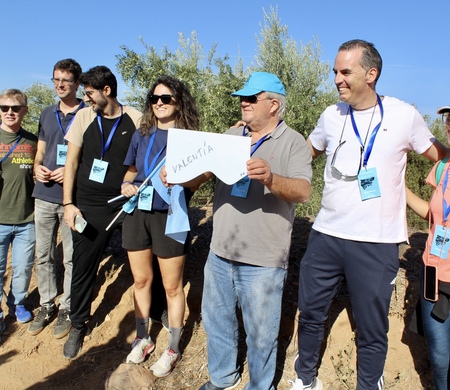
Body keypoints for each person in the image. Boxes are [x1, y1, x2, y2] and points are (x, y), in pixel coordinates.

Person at [290, 39, 450, 390]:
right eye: (335, 71)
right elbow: (306, 153)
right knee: (312, 314)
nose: (337, 79)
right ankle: (305, 379)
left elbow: (440, 155)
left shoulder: (403, 115)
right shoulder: (331, 116)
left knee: (373, 328)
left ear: (371, 74)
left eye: (346, 72)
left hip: (376, 243)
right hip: (326, 235)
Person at [162, 72, 312, 389]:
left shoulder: (293, 142)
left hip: (263, 259)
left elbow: (302, 191)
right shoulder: (231, 135)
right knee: (217, 321)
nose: (243, 103)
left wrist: (271, 178)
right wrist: (178, 175)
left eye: (251, 98)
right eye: (241, 97)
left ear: (273, 104)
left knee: (261, 333)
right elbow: (200, 176)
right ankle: (222, 378)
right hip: (220, 251)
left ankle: (259, 386)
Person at [61, 66, 142, 359]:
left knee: (143, 266)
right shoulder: (83, 116)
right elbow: (71, 163)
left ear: (106, 91)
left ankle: (150, 321)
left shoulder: (136, 119)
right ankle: (78, 324)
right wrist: (68, 204)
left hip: (125, 205)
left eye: (90, 93)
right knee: (83, 268)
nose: (86, 98)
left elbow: (144, 158)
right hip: (89, 205)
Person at [120, 76, 199, 376]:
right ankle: (143, 338)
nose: (160, 104)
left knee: (171, 286)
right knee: (141, 281)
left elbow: (202, 178)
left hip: (171, 215)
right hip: (137, 212)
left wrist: (183, 179)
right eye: (155, 99)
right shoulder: (142, 133)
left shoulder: (191, 138)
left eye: (166, 98)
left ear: (179, 101)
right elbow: (130, 172)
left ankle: (173, 347)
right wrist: (127, 185)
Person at [28, 59, 84, 339]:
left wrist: (71, 170)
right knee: (44, 254)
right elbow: (40, 150)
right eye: (56, 79)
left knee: (71, 257)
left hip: (71, 198)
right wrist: (37, 166)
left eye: (66, 80)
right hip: (44, 194)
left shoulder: (87, 113)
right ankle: (46, 304)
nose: (60, 85)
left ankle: (68, 307)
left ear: (77, 83)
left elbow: (94, 156)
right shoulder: (46, 113)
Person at [406, 106, 450, 390]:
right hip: (434, 271)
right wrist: (400, 188)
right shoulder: (444, 167)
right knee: (440, 356)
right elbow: (433, 215)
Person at [0, 89, 37, 336]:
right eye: (4, 108)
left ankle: (18, 303)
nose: (10, 112)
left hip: (27, 219)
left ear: (25, 110)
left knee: (23, 268)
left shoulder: (32, 141)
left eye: (15, 108)